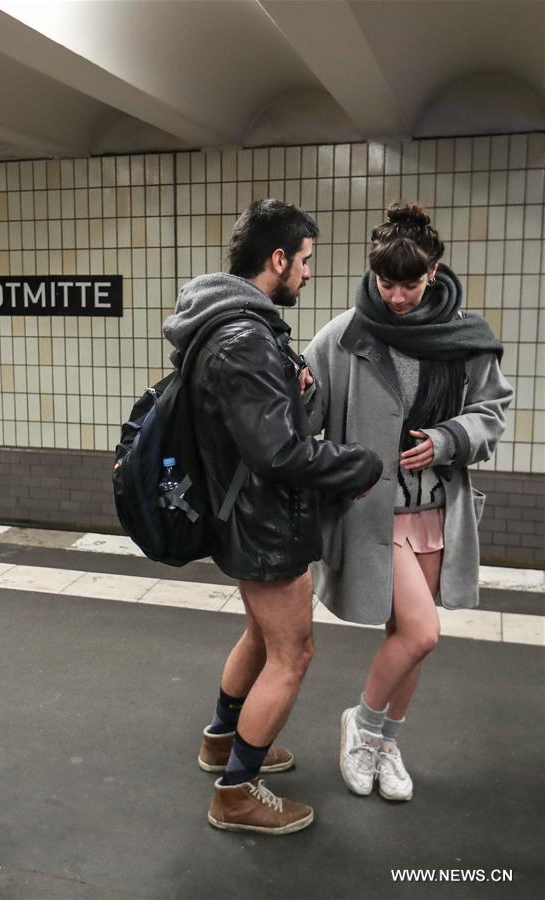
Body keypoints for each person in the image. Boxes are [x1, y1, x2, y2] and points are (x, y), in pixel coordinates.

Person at [162, 200, 382, 834]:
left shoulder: (224, 322)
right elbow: (277, 452)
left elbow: (259, 429)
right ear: (277, 259)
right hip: (264, 523)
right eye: (305, 260)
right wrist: (359, 465)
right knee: (293, 652)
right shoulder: (245, 338)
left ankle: (221, 742)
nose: (309, 272)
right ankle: (236, 792)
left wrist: (295, 390)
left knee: (261, 637)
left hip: (244, 513)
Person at [305, 202, 513, 803]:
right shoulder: (344, 336)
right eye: (385, 283)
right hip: (373, 510)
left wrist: (449, 439)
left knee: (407, 635)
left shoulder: (465, 337)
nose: (396, 297)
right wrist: (296, 395)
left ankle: (385, 743)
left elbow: (492, 412)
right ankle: (362, 722)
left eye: (410, 284)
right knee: (423, 633)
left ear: (434, 272)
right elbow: (306, 419)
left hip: (436, 509)